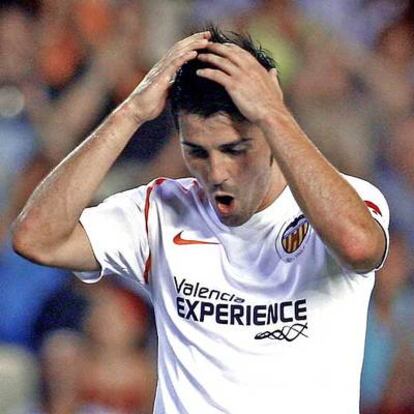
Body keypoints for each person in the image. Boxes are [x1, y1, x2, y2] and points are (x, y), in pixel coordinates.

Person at [12, 26, 389, 414]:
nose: (217, 172)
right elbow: (35, 238)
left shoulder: (348, 199)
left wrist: (275, 113)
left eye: (234, 149)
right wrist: (131, 111)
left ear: (270, 124)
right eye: (198, 152)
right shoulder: (160, 211)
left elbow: (358, 245)